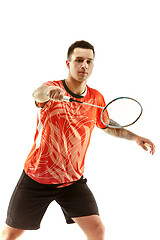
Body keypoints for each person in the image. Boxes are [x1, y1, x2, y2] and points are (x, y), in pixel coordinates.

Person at [1, 40, 155, 240]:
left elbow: (105, 123)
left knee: (97, 229)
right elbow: (37, 93)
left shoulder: (95, 98)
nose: (84, 65)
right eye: (79, 60)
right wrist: (49, 94)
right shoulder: (52, 88)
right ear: (68, 63)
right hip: (37, 178)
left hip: (72, 181)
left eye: (89, 61)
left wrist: (135, 138)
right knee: (11, 234)